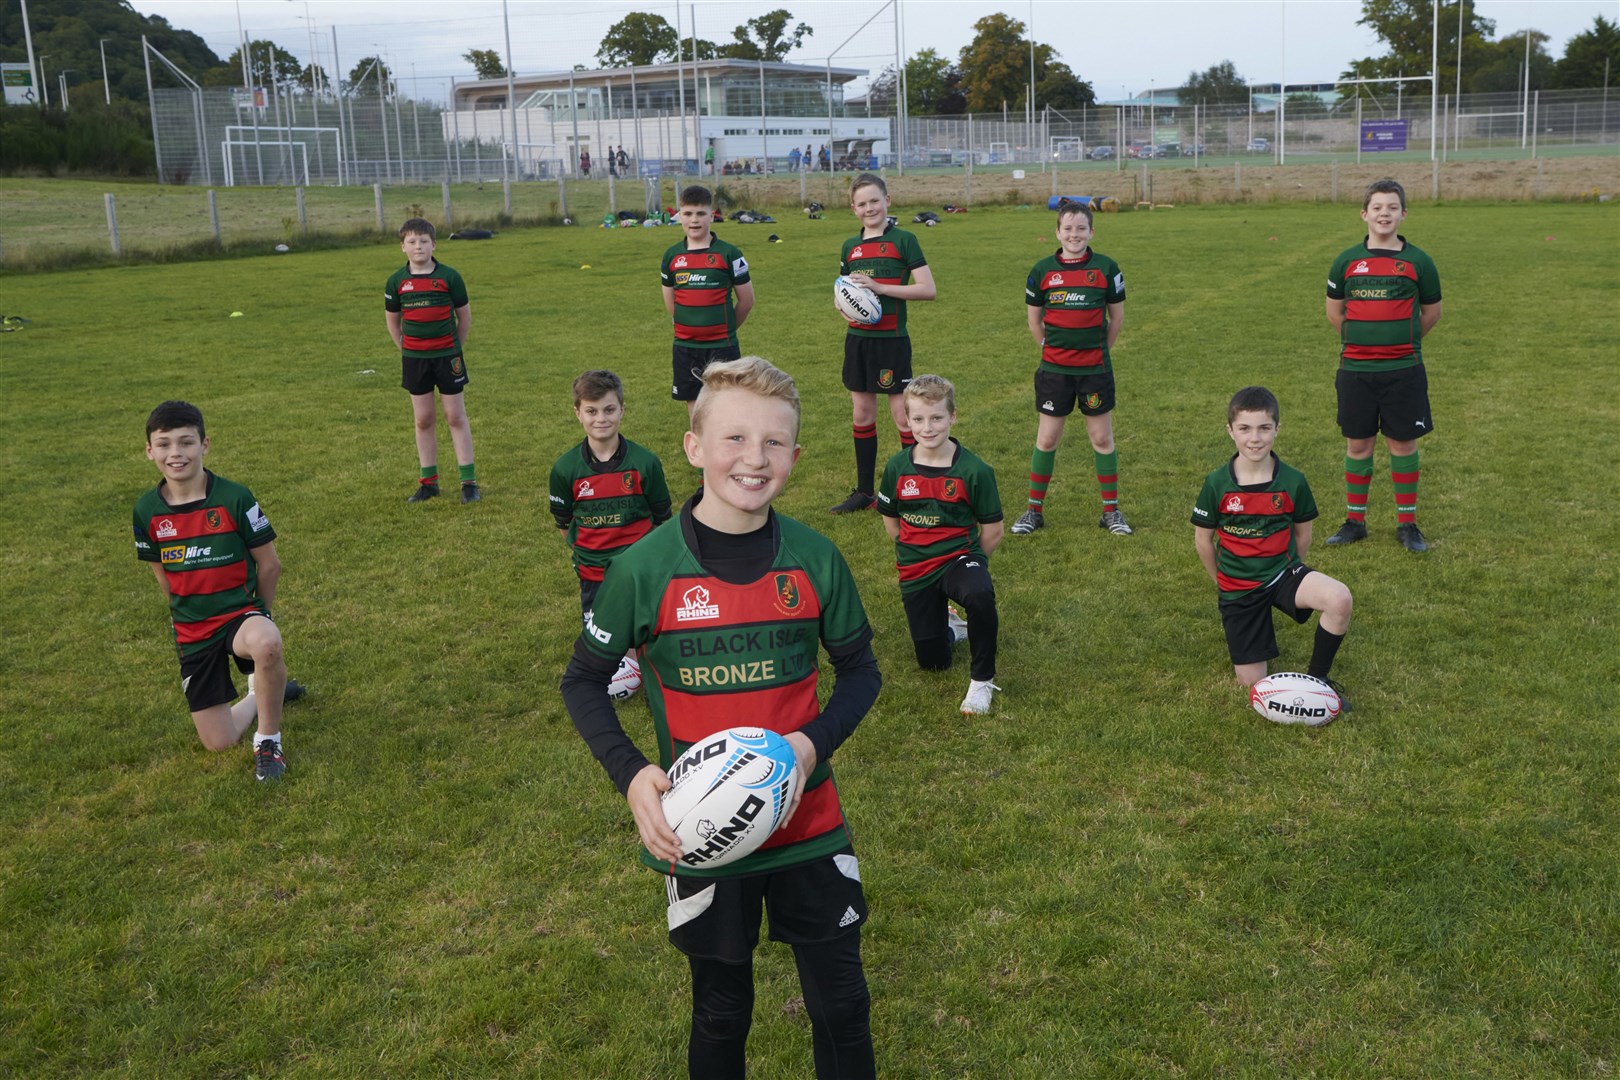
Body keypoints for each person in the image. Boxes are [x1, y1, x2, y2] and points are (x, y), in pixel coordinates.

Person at [562, 357, 881, 1079]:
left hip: (809, 824)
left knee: (840, 1006)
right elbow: (583, 680)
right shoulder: (644, 570)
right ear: (694, 447)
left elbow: (860, 671)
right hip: (701, 834)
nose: (754, 458)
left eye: (774, 443)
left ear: (795, 457)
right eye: (734, 438)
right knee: (721, 1010)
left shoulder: (816, 559)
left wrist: (811, 744)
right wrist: (634, 774)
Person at [133, 401, 305, 782]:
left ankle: (268, 742)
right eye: (163, 444)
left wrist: (260, 613)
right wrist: (188, 617)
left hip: (238, 615)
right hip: (193, 630)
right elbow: (165, 578)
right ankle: (263, 694)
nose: (175, 454)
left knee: (267, 642)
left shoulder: (234, 497)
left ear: (205, 445)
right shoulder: (146, 511)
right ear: (149, 451)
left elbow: (270, 564)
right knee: (220, 742)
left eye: (186, 442)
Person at [1192, 386, 1354, 704]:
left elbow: (1302, 535)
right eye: (1245, 429)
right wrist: (1222, 583)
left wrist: (1292, 569)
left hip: (1282, 574)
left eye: (1264, 428)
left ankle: (1318, 681)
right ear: (1230, 431)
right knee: (1254, 686)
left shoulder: (1293, 481)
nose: (1255, 438)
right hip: (1239, 588)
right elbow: (1203, 541)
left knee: (1339, 599)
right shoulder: (1216, 483)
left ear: (1277, 429)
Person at [1323, 178, 1443, 552]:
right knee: (1358, 444)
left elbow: (1431, 312)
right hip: (1356, 371)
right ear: (1364, 214)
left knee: (1402, 444)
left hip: (1403, 370)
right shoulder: (1346, 261)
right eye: (1377, 207)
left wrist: (1399, 341)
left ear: (1403, 214)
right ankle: (1355, 521)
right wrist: (1365, 341)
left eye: (1392, 207)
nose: (1384, 214)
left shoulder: (1419, 261)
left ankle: (1407, 525)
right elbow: (1335, 312)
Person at [876, 375, 1003, 714]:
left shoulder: (974, 470)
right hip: (916, 568)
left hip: (958, 557)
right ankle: (952, 628)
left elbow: (993, 530)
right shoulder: (897, 467)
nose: (927, 427)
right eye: (918, 419)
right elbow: (890, 517)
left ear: (952, 417)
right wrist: (912, 548)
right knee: (932, 662)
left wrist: (972, 563)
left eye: (936, 418)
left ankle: (981, 682)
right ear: (907, 419)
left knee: (978, 592)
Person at [549, 370, 672, 701]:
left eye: (608, 409)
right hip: (593, 574)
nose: (600, 419)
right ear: (578, 412)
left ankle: (653, 684)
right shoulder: (565, 469)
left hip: (639, 573)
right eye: (591, 411)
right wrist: (589, 555)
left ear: (622, 409)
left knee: (647, 631)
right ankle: (614, 676)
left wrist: (646, 562)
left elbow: (663, 520)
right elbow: (564, 524)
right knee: (604, 639)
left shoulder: (644, 463)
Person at [1013, 199, 1131, 537]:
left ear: (1092, 231)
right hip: (1054, 371)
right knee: (1047, 438)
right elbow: (1034, 320)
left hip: (1094, 370)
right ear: (1058, 232)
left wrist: (1098, 351)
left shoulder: (1107, 269)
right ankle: (1033, 511)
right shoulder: (1042, 271)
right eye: (1068, 228)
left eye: (1081, 228)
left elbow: (1117, 317)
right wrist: (1047, 349)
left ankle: (1111, 512)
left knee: (1101, 437)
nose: (1074, 234)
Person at [829, 172, 936, 514]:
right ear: (853, 209)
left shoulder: (905, 240)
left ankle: (912, 490)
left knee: (902, 418)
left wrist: (881, 288)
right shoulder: (850, 247)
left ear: (887, 201)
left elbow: (927, 289)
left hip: (892, 342)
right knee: (862, 413)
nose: (869, 208)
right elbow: (844, 290)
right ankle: (864, 492)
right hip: (857, 342)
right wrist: (844, 307)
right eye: (862, 203)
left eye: (875, 200)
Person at [384, 217, 479, 504]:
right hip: (415, 360)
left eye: (424, 241)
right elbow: (393, 322)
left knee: (455, 416)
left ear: (433, 244)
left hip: (447, 358)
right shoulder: (397, 281)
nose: (418, 246)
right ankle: (428, 483)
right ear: (403, 247)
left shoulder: (450, 277)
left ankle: (468, 482)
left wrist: (453, 349)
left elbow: (464, 318)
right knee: (423, 419)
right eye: (411, 242)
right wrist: (407, 349)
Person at [662, 185, 755, 418]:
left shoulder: (729, 254)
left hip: (722, 347)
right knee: (696, 411)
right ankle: (701, 454)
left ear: (711, 215)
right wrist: (688, 326)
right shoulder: (672, 256)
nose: (694, 220)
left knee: (727, 409)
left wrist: (727, 329)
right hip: (686, 348)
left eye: (701, 214)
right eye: (688, 214)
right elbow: (671, 303)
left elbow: (746, 301)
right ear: (680, 215)